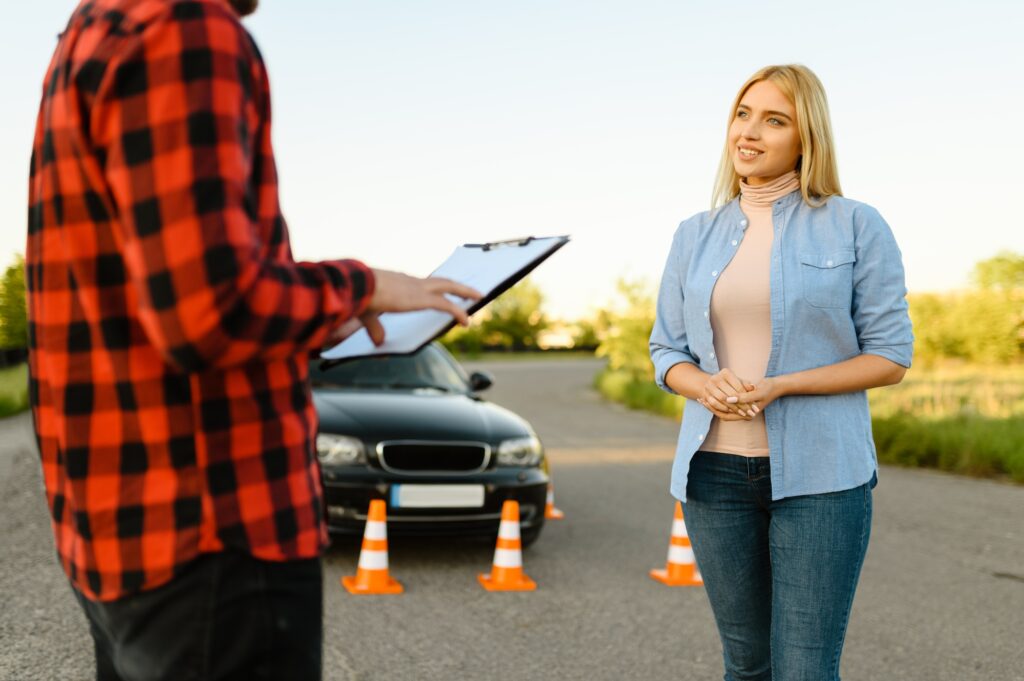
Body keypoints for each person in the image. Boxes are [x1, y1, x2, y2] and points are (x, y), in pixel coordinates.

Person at [26, 1, 479, 679]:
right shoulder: (184, 26)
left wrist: (326, 311)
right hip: (216, 535)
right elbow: (207, 313)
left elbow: (160, 291)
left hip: (120, 527)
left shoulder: (97, 30)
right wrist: (358, 285)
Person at [649, 64, 913, 680]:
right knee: (746, 665)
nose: (750, 132)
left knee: (803, 669)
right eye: (743, 114)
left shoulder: (855, 224)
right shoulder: (695, 235)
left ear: (806, 137)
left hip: (823, 478)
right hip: (713, 475)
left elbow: (891, 356)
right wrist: (703, 384)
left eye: (774, 120)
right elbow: (667, 351)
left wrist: (782, 385)